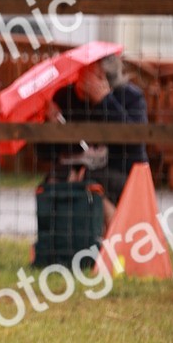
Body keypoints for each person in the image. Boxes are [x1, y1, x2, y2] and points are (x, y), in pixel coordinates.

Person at [41, 54, 149, 227]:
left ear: (107, 79)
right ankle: (59, 247)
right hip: (73, 172)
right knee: (55, 182)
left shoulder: (130, 97)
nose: (86, 81)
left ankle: (114, 244)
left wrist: (105, 101)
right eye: (86, 72)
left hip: (120, 174)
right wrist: (51, 127)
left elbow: (134, 144)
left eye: (96, 76)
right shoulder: (63, 97)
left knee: (91, 183)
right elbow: (45, 155)